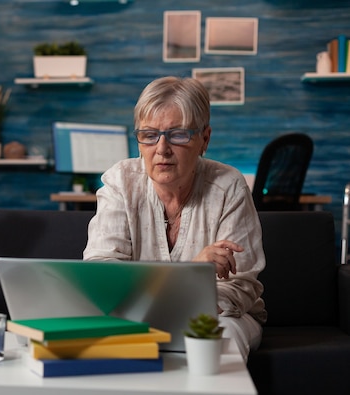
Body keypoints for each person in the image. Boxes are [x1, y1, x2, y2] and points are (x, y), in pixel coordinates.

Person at [83, 76, 266, 360]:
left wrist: (157, 303)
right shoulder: (120, 182)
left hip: (222, 316)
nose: (162, 149)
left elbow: (239, 287)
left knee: (215, 335)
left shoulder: (228, 186)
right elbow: (101, 275)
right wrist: (191, 274)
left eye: (178, 134)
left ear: (204, 139)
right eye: (149, 135)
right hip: (137, 318)